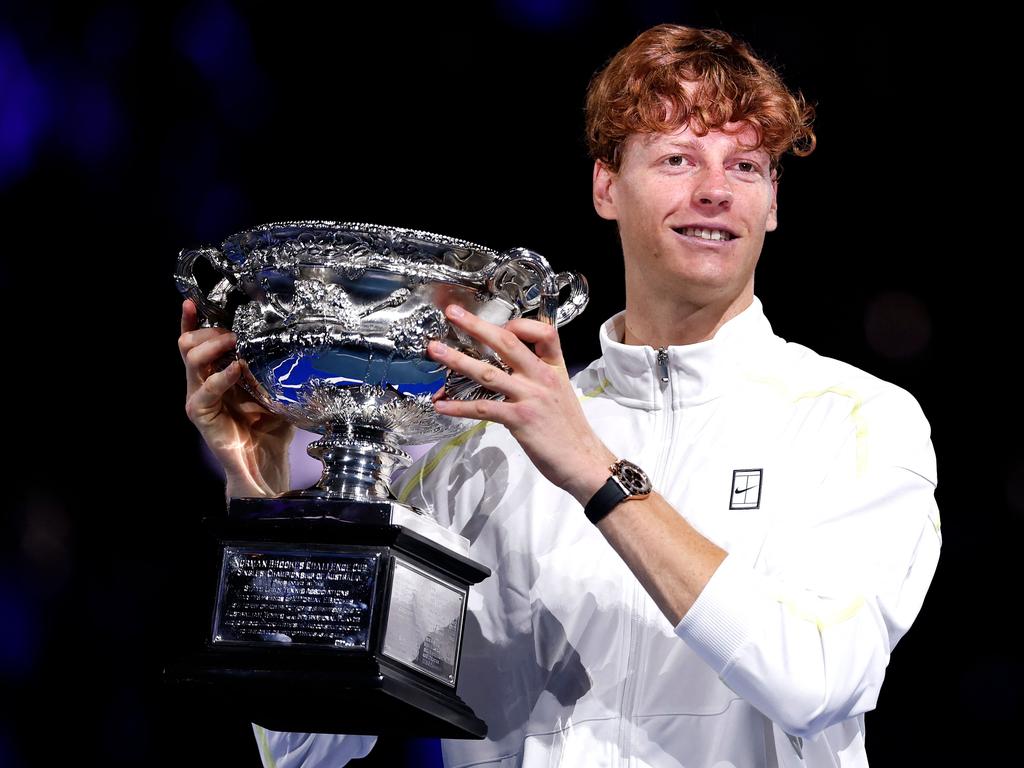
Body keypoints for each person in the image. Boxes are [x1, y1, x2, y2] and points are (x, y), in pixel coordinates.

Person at [178, 23, 941, 767]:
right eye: (678, 158)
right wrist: (263, 490)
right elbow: (309, 743)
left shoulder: (856, 420)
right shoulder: (478, 446)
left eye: (746, 167)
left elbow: (819, 680)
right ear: (607, 186)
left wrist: (598, 476)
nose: (715, 191)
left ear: (773, 203)